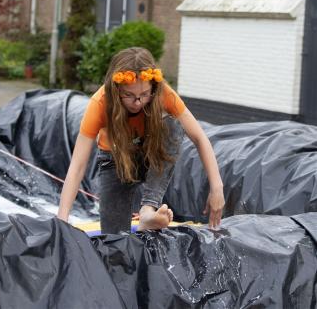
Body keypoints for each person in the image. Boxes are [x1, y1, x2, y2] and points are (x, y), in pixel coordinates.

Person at [58, 47, 225, 234]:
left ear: (153, 87)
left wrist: (217, 187)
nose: (137, 102)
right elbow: (77, 166)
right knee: (115, 239)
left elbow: (199, 137)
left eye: (144, 94)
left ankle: (148, 209)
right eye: (128, 95)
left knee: (173, 126)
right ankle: (140, 224)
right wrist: (62, 219)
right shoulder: (100, 103)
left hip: (150, 153)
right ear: (116, 90)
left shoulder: (163, 93)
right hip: (115, 159)